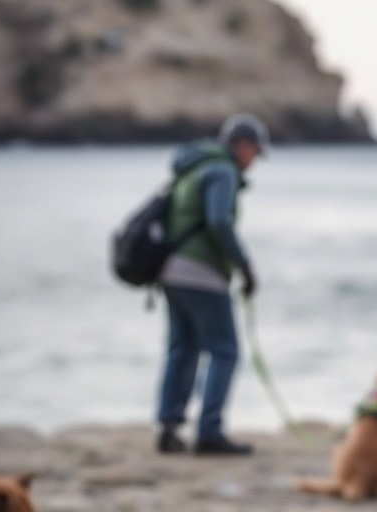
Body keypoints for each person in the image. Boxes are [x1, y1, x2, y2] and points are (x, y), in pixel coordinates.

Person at [154, 113, 268, 455]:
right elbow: (218, 221)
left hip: (171, 269)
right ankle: (209, 431)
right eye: (256, 151)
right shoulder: (222, 170)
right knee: (225, 351)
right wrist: (244, 265)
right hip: (202, 272)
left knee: (182, 348)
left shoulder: (193, 168)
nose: (255, 159)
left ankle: (168, 427)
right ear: (241, 145)